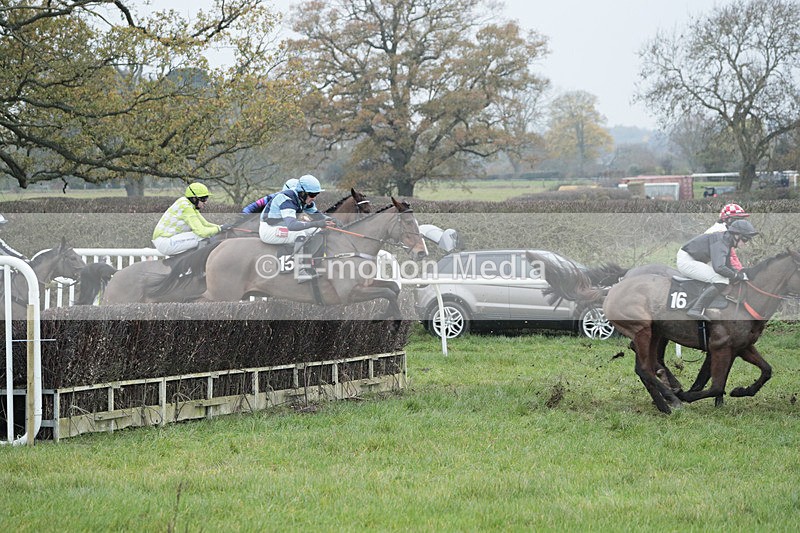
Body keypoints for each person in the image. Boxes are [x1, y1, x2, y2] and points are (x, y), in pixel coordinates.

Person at [677, 219, 759, 321]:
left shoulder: (726, 241)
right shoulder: (721, 242)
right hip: (686, 260)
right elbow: (719, 267)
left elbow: (727, 266)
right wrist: (736, 276)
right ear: (737, 235)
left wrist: (739, 274)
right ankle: (696, 309)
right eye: (745, 239)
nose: (746, 243)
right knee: (721, 280)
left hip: (694, 258)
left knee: (725, 277)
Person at [259, 174, 336, 281]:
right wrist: (317, 223)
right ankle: (300, 272)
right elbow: (292, 225)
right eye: (312, 195)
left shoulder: (303, 198)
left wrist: (332, 220)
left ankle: (310, 263)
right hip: (269, 229)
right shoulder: (287, 199)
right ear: (303, 193)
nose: (314, 198)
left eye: (316, 194)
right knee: (300, 234)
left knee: (318, 231)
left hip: (282, 226)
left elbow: (317, 215)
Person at [152, 182, 231, 255]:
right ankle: (197, 266)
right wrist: (219, 229)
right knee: (202, 236)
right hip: (165, 243)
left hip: (168, 240)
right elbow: (202, 232)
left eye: (206, 198)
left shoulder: (189, 204)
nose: (206, 202)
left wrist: (221, 226)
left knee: (207, 235)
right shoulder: (186, 207)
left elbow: (205, 224)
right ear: (194, 198)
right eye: (203, 199)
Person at [705, 203, 749, 271]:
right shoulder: (720, 231)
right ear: (727, 219)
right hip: (707, 264)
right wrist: (740, 270)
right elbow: (729, 257)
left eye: (742, 219)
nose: (740, 223)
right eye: (738, 219)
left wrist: (740, 269)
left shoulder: (726, 230)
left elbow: (732, 254)